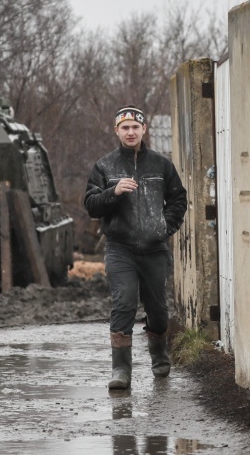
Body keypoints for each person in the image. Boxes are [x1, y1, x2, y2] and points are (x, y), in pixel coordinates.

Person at [84, 105, 187, 390]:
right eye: (125, 127)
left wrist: (164, 227)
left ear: (144, 130)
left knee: (157, 309)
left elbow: (179, 200)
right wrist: (113, 192)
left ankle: (160, 357)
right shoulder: (105, 166)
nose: (130, 132)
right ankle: (121, 370)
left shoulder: (161, 165)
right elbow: (91, 206)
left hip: (155, 249)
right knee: (124, 302)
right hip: (121, 248)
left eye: (135, 127)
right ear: (116, 131)